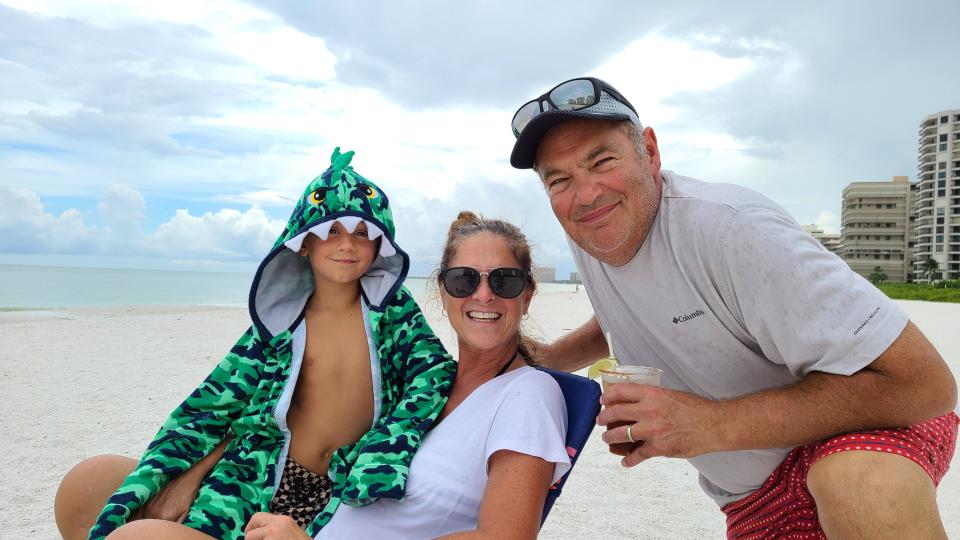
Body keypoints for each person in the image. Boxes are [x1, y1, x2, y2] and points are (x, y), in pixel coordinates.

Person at [509, 76, 959, 538]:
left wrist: (706, 423)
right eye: (559, 180)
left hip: (868, 431)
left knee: (857, 481)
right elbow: (621, 309)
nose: (586, 195)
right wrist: (542, 360)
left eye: (602, 161)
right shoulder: (590, 230)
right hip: (752, 497)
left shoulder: (732, 231)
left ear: (650, 151)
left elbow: (927, 387)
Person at [54, 148, 458, 539]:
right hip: (256, 475)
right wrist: (188, 478)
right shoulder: (278, 322)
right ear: (304, 241)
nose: (347, 245)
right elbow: (220, 409)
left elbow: (435, 373)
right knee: (87, 483)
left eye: (362, 233)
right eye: (330, 230)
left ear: (380, 243)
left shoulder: (391, 311)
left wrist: (385, 448)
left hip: (341, 489)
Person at [238, 212, 571, 539]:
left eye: (505, 279)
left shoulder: (529, 392)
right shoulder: (425, 386)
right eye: (463, 280)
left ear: (527, 295)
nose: (484, 295)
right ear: (443, 293)